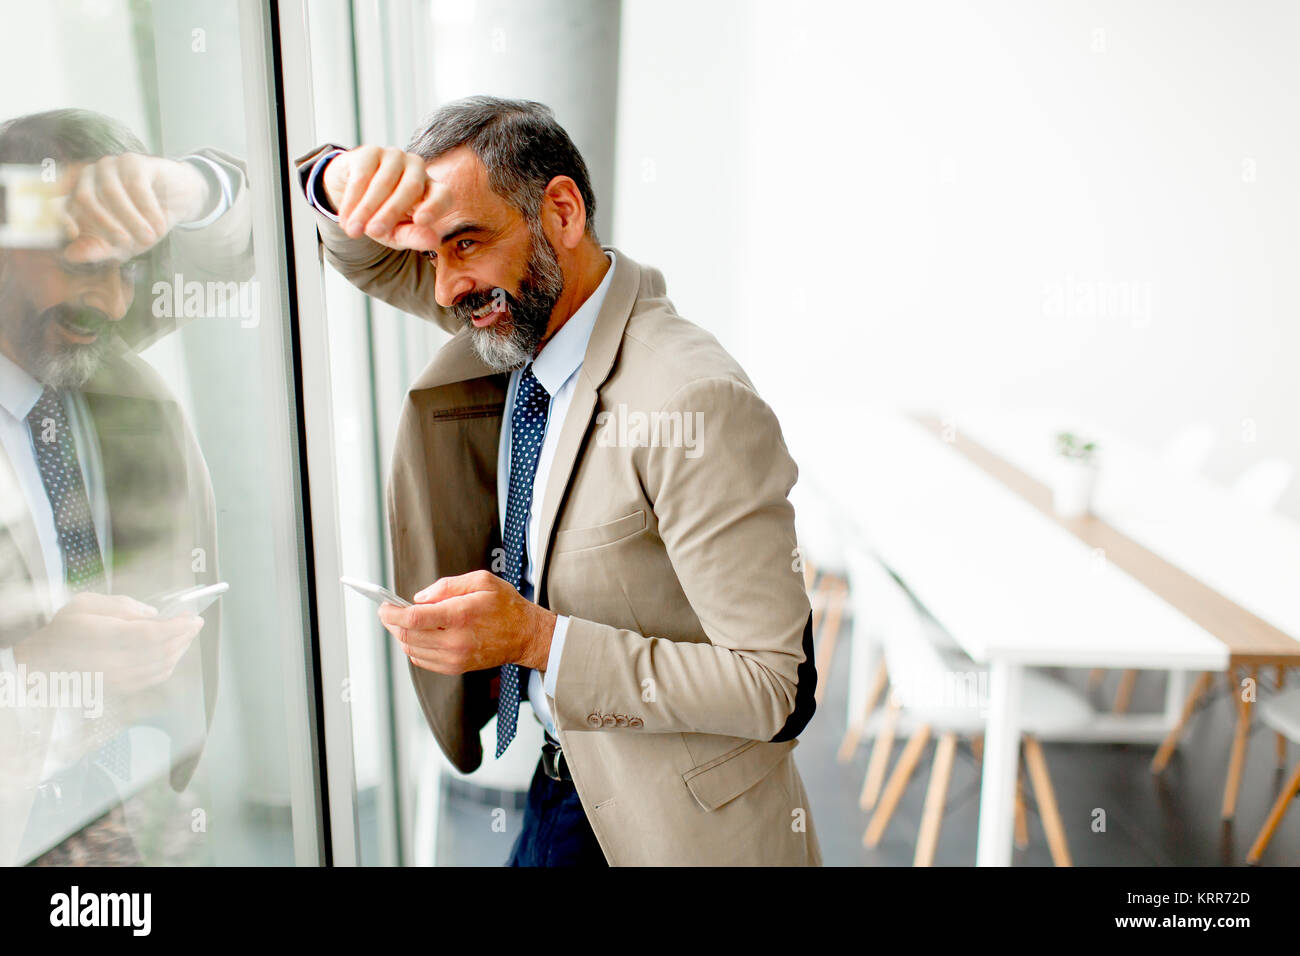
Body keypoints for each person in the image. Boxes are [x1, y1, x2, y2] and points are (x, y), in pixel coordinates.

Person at [296, 95, 819, 866]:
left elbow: (776, 689)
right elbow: (366, 255)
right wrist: (336, 176)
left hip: (671, 821)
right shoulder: (517, 313)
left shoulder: (691, 402)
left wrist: (538, 640)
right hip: (559, 777)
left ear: (562, 213)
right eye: (433, 253)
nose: (442, 288)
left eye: (464, 242)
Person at [0, 108, 250, 865]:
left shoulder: (81, 335)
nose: (113, 303)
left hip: (133, 790)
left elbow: (246, 246)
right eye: (83, 263)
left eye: (130, 268)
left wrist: (183, 185)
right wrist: (37, 670)